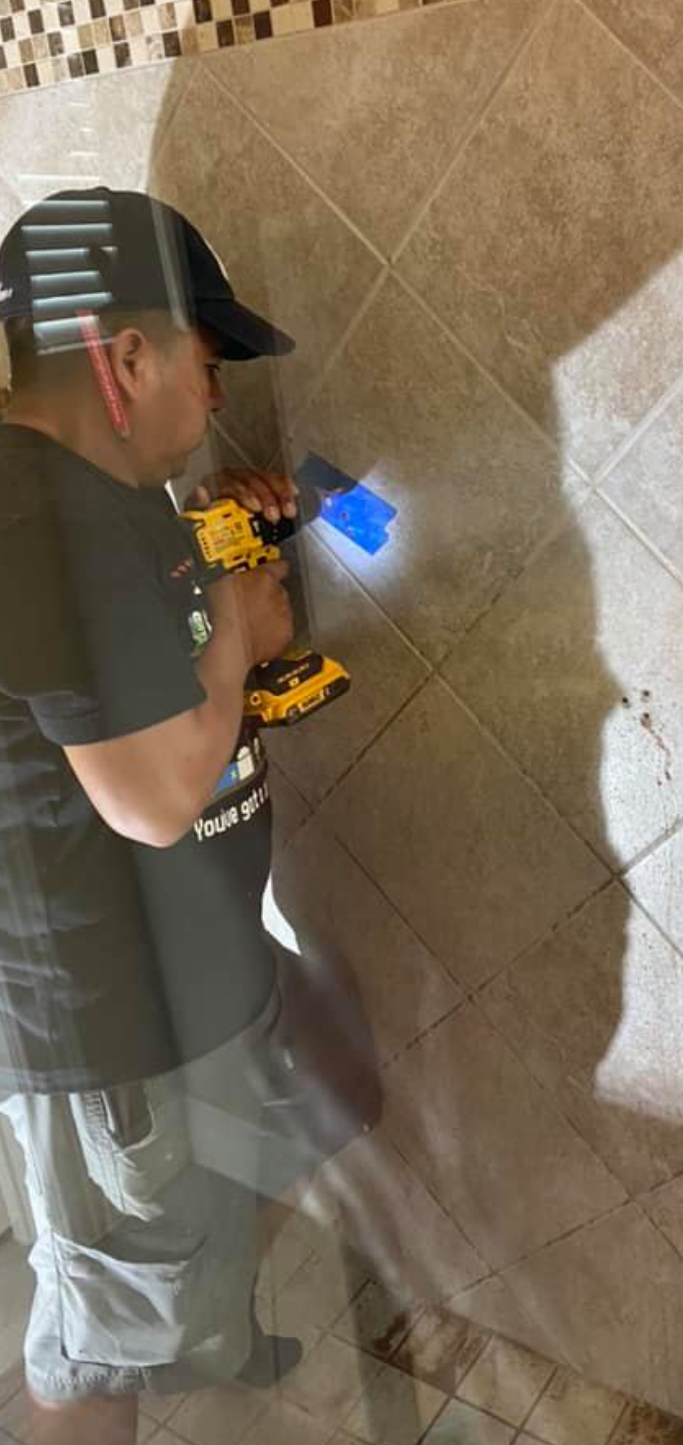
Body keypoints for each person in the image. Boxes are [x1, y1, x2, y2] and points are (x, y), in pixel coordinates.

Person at [0, 186, 310, 1445]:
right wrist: (237, 620)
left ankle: (211, 1326)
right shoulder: (28, 518)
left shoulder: (103, 493)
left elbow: (173, 661)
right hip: (107, 1023)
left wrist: (222, 549)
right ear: (124, 356)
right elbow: (151, 794)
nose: (219, 391)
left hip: (174, 984)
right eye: (208, 358)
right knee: (99, 1348)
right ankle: (161, 1348)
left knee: (178, 1252)